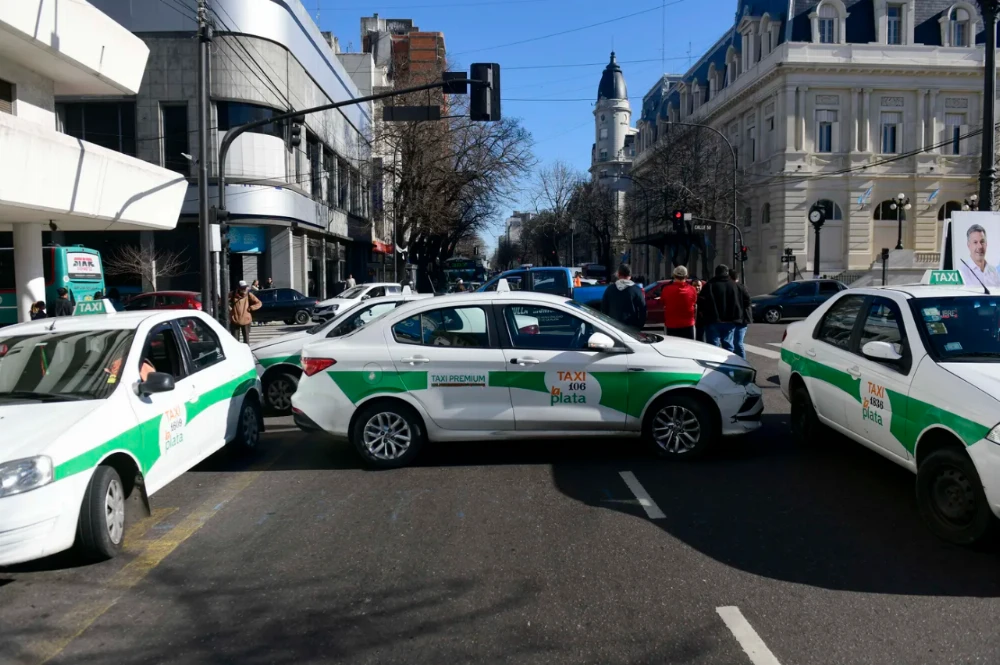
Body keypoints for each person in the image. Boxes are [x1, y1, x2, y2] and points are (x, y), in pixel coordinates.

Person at [698, 265, 746, 352]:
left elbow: (701, 301)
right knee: (728, 345)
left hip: (712, 320)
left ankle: (713, 363)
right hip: (730, 320)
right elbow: (742, 301)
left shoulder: (710, 285)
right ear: (727, 273)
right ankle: (728, 364)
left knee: (713, 346)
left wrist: (703, 314)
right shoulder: (734, 285)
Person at [601, 263, 647, 328]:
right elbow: (643, 310)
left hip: (613, 327)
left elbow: (604, 309)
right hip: (631, 328)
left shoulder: (610, 289)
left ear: (618, 274)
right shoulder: (636, 290)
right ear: (630, 276)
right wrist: (638, 326)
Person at [661, 266, 697, 339]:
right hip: (688, 324)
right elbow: (694, 301)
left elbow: (663, 302)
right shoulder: (692, 289)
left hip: (671, 324)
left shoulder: (666, 289)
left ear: (674, 276)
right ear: (686, 276)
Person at [729, 269, 752, 360]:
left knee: (737, 343)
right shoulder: (741, 287)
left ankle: (742, 362)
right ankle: (739, 360)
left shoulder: (738, 287)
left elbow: (747, 302)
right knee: (736, 343)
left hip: (741, 319)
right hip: (741, 319)